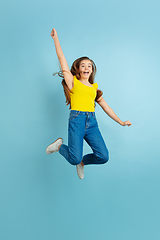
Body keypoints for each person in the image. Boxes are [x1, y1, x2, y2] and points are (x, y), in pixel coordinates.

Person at [46, 28, 132, 179]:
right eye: (83, 65)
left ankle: (83, 163)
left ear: (92, 70)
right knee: (73, 158)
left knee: (103, 156)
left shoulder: (94, 88)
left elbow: (106, 107)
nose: (87, 67)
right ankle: (58, 146)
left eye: (89, 66)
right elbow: (62, 59)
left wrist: (121, 122)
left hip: (92, 122)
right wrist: (55, 39)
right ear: (78, 69)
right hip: (77, 120)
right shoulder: (73, 83)